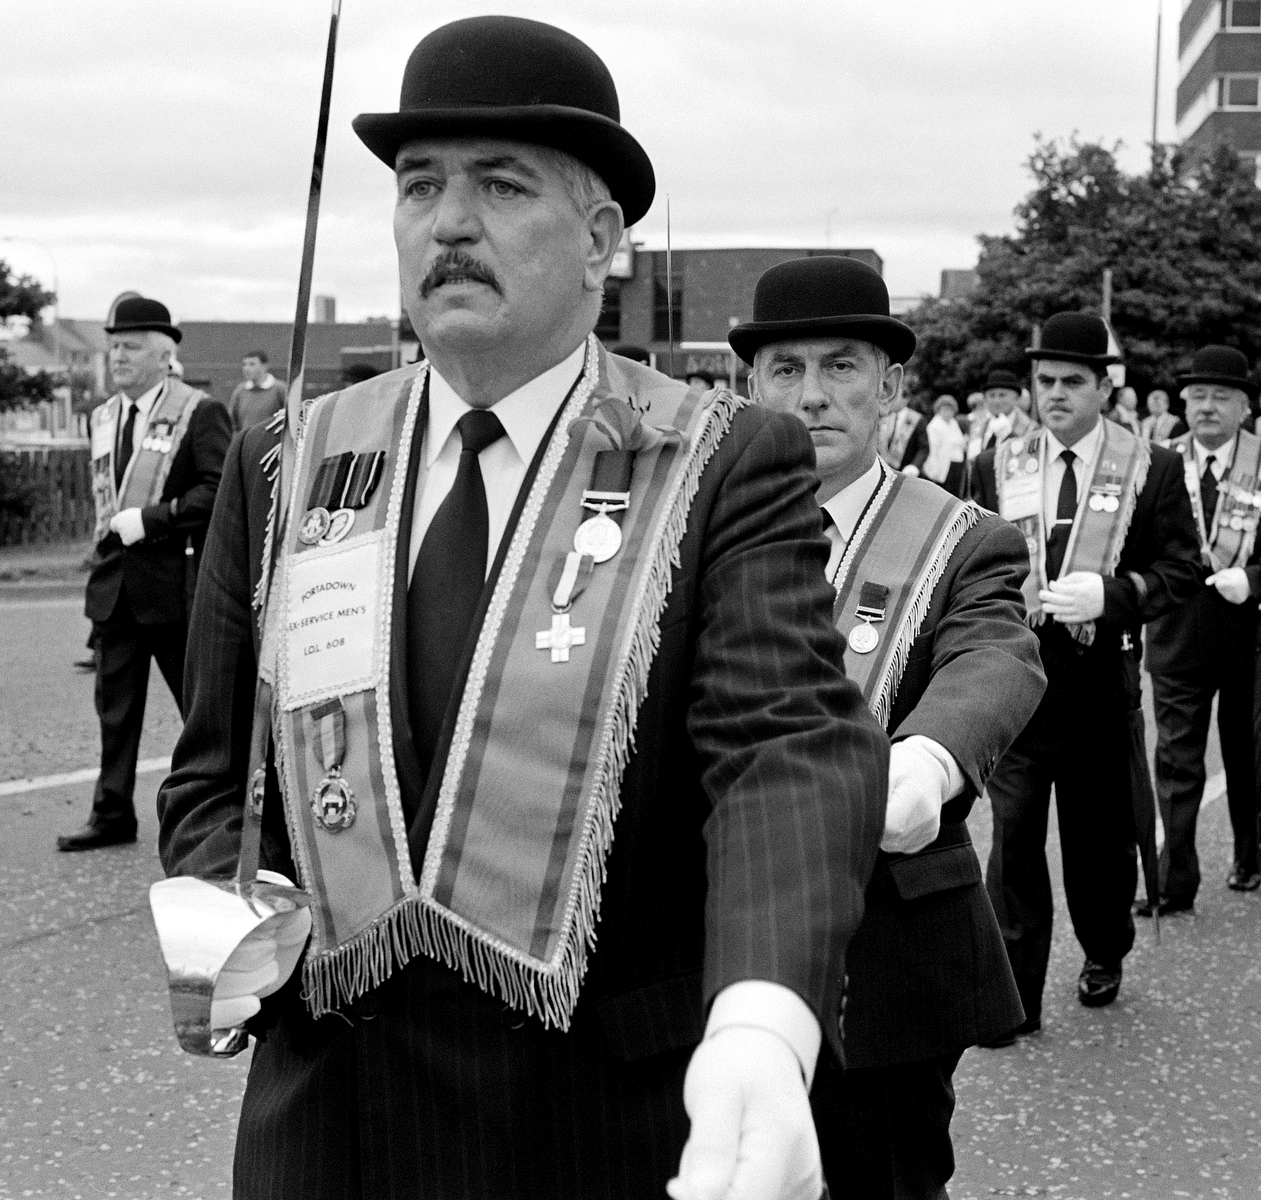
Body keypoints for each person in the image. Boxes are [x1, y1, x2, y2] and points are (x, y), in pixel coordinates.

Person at [156, 18, 886, 1198]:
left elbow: (784, 751)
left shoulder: (714, 457)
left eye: (500, 185)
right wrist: (218, 907)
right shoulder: (289, 458)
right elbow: (215, 766)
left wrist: (763, 1021)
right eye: (420, 186)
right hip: (328, 1119)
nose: (448, 223)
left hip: (599, 1120)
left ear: (602, 239)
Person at [735, 255, 1042, 1200]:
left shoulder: (959, 536)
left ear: (892, 386)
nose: (813, 396)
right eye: (785, 370)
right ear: (751, 385)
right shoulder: (700, 530)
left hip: (880, 950)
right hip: (716, 943)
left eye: (840, 367)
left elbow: (995, 657)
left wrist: (927, 759)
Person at [968, 312, 1202, 1026]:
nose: (1056, 394)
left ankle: (1104, 950)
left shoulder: (1152, 466)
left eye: (1073, 381)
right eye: (1045, 382)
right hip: (1017, 686)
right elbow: (970, 569)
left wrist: (1118, 593)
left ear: (1104, 388)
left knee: (1097, 840)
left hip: (1099, 684)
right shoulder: (995, 465)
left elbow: (1180, 570)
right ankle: (1015, 989)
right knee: (1011, 844)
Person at [1143, 346, 1261, 905]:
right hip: (1176, 632)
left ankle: (1248, 853)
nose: (1207, 408)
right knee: (1175, 761)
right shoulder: (1156, 459)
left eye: (1221, 397)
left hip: (1249, 634)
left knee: (1247, 755)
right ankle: (1175, 881)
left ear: (1246, 407)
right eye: (1197, 397)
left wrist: (1260, 577)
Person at [58, 297, 230, 852]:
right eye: (113, 347)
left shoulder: (198, 411)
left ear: (164, 355)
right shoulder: (105, 416)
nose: (117, 357)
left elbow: (218, 490)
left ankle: (221, 815)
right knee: (115, 711)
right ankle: (111, 814)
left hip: (176, 587)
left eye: (130, 347)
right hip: (115, 588)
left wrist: (154, 519)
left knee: (200, 715)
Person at [964, 369, 1036, 453]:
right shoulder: (977, 425)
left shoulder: (1031, 429)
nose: (996, 401)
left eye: (1002, 395)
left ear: (1016, 398)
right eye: (992, 395)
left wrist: (1009, 435)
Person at [916, 394, 969, 496]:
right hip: (942, 465)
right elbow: (932, 449)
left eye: (950, 409)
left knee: (956, 494)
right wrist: (933, 470)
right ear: (939, 409)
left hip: (957, 463)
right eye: (945, 409)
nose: (948, 412)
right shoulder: (935, 426)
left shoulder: (953, 423)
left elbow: (959, 441)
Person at [226, 351, 287, 433]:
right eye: (244, 364)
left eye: (252, 364)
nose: (246, 368)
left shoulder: (280, 389)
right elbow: (232, 421)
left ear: (264, 366)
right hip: (246, 443)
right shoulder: (240, 391)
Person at [876, 394, 923, 471]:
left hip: (904, 469)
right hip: (882, 466)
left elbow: (924, 448)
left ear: (905, 400)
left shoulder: (917, 420)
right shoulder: (884, 416)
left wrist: (914, 466)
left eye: (895, 398)